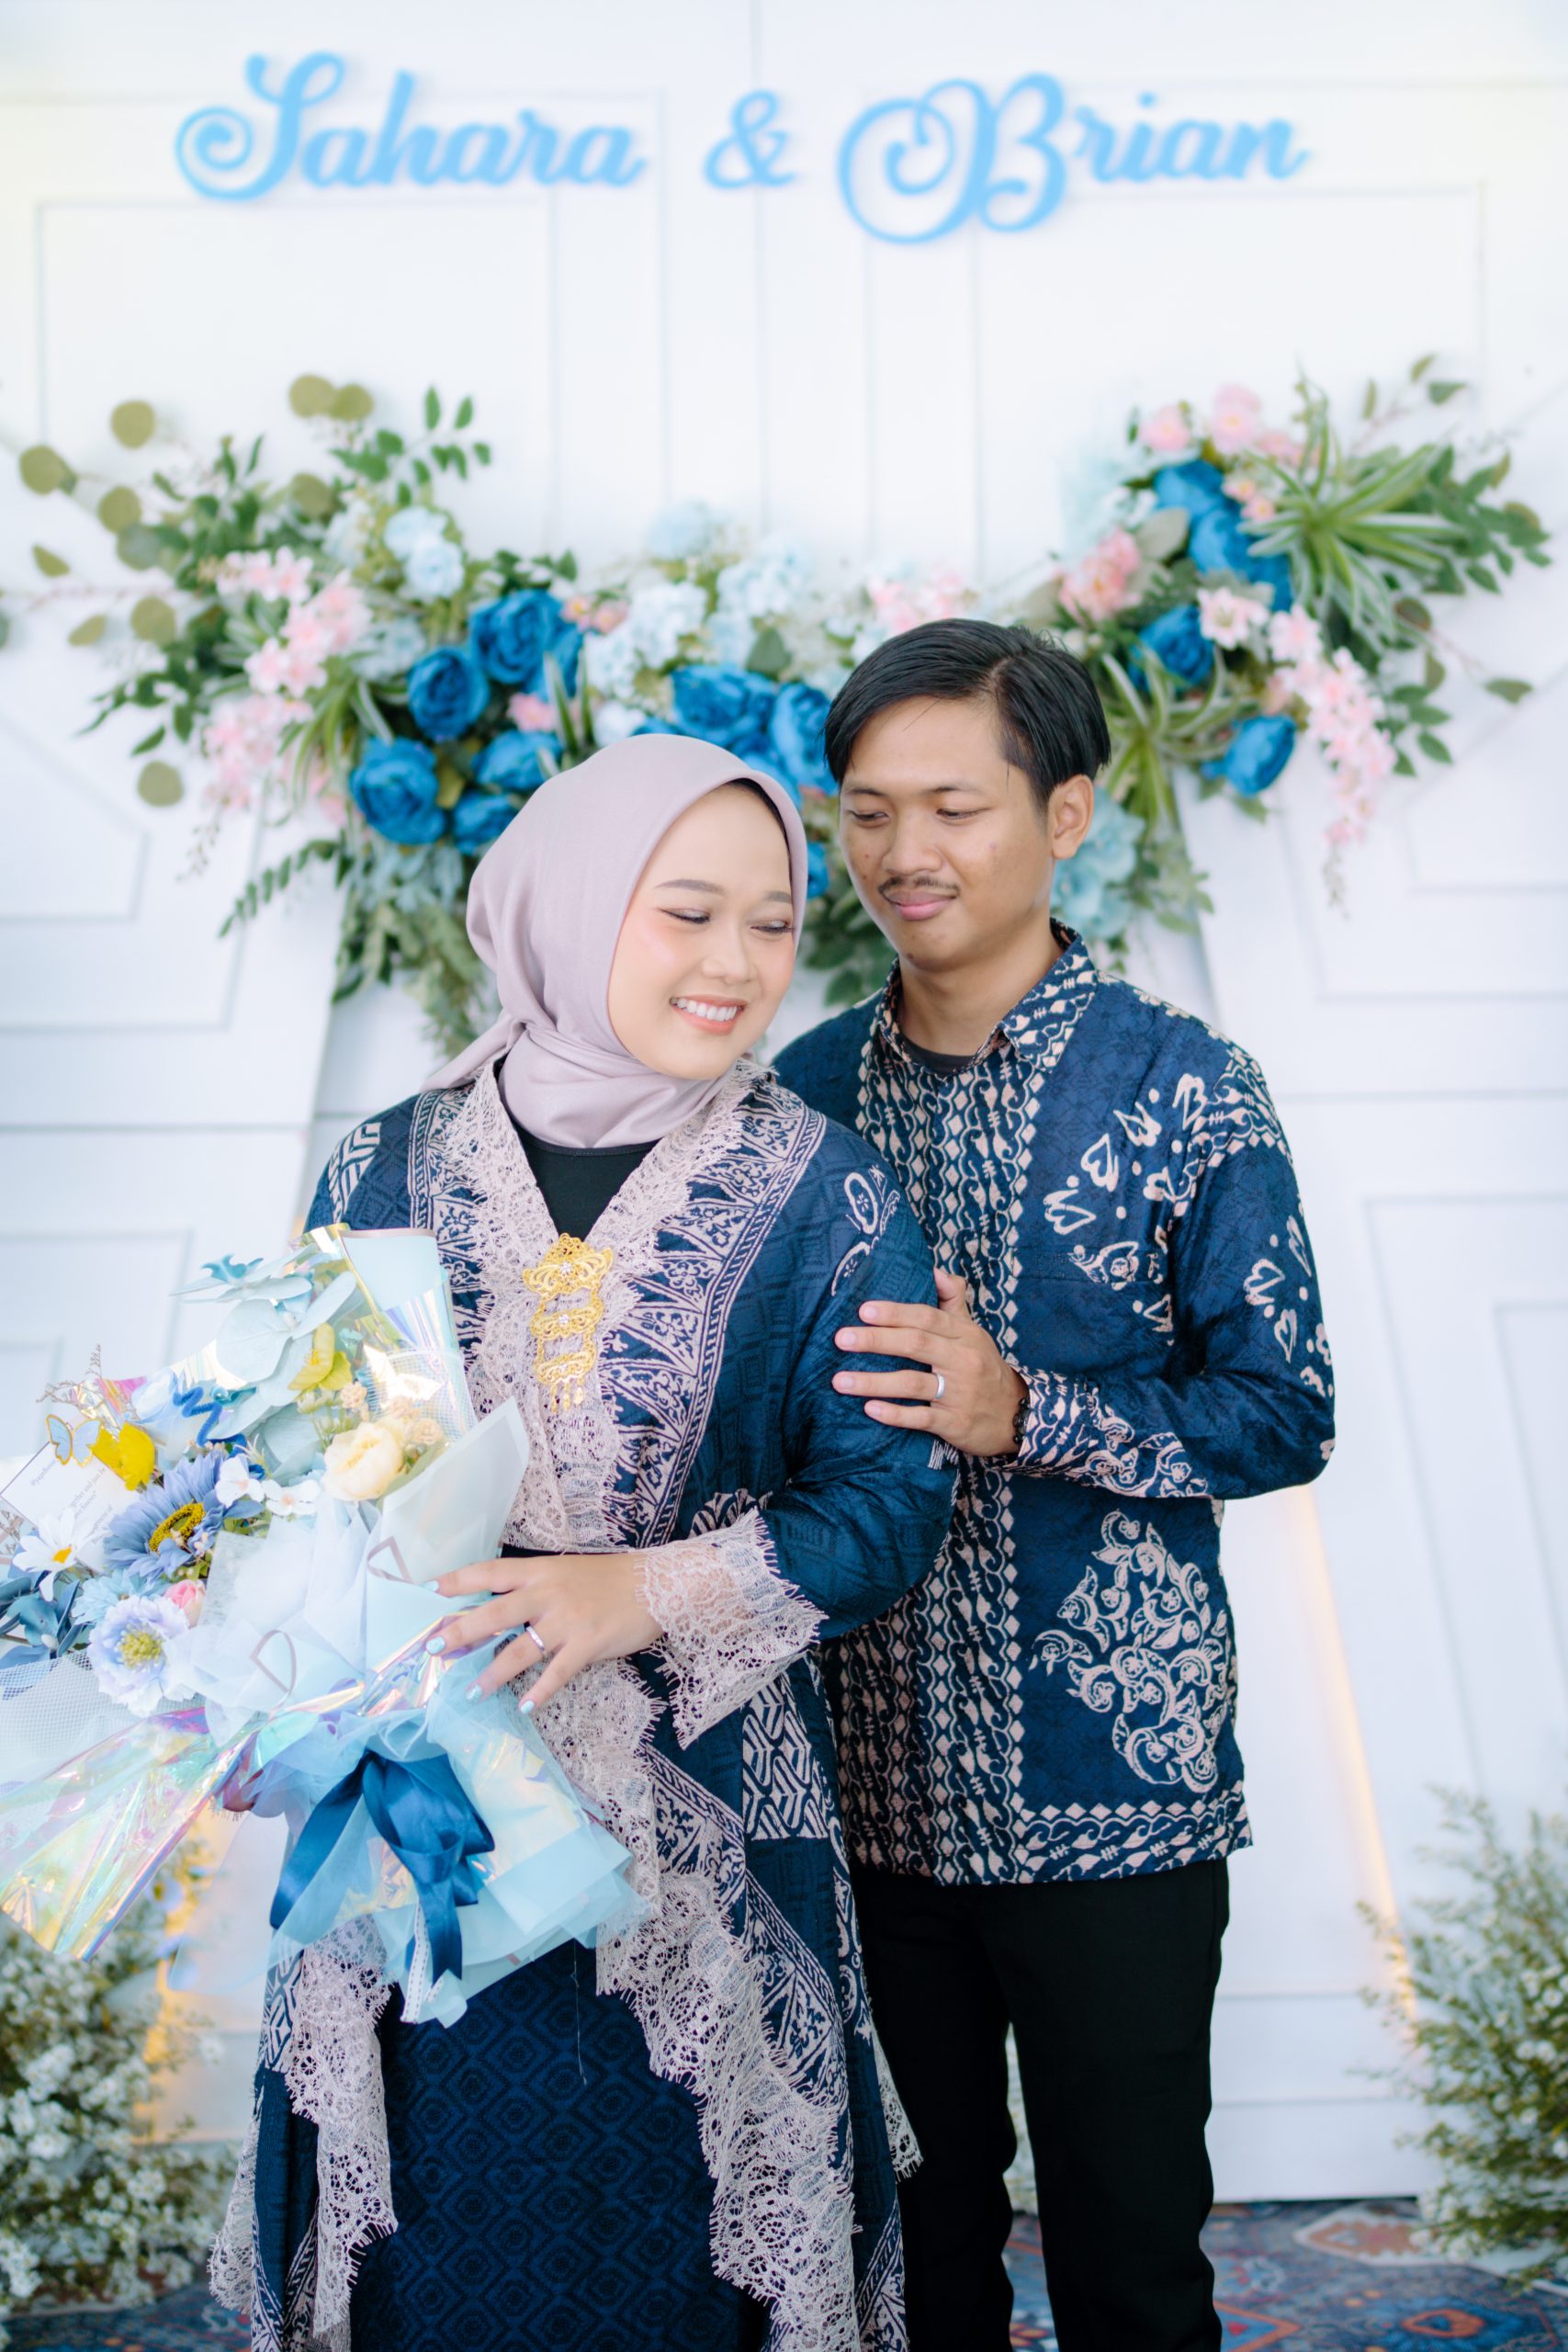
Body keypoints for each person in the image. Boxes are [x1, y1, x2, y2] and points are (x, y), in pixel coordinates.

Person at [215, 734, 956, 2352]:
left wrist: (641, 1592)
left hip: (703, 1819)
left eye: (773, 921)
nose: (736, 963)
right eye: (686, 911)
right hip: (418, 1815)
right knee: (433, 2244)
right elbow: (296, 1474)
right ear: (567, 906)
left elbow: (891, 1507)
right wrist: (252, 1683)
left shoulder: (827, 1192)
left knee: (683, 2256)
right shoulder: (386, 1166)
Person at [773, 621, 1337, 2352]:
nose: (905, 853)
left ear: (1066, 813)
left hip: (1118, 1790)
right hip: (857, 1795)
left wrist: (1028, 1410)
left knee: (1131, 2266)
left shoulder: (1185, 1088)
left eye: (955, 806)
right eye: (869, 811)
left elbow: (1282, 1412)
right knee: (905, 2261)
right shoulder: (798, 1101)